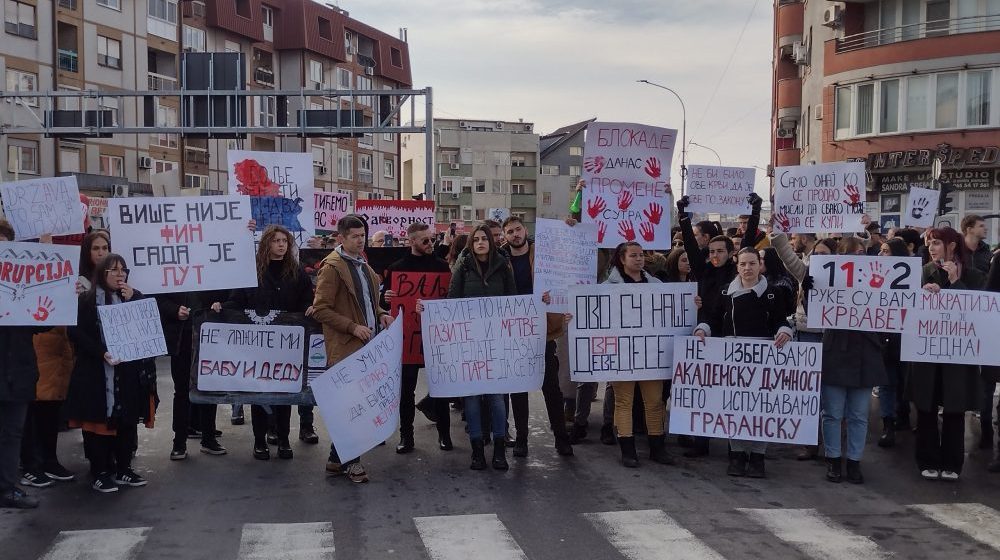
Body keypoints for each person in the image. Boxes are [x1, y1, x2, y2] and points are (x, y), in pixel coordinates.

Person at [694, 247, 793, 478]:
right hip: (733, 359)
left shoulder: (773, 293)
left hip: (763, 360)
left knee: (760, 409)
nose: (747, 268)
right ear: (737, 266)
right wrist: (703, 330)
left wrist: (784, 331)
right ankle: (737, 455)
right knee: (735, 407)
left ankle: (758, 456)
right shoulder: (725, 292)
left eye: (752, 263)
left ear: (760, 265)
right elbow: (713, 318)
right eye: (743, 264)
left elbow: (780, 320)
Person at [220, 225, 315, 461]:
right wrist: (221, 308)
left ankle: (283, 440)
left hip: (287, 345)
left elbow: (306, 300)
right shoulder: (251, 272)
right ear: (266, 245)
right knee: (259, 394)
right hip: (257, 346)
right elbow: (236, 301)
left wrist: (310, 308)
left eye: (285, 241)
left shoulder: (297, 273)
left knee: (285, 393)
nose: (281, 245)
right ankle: (260, 441)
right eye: (276, 241)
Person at [65, 254, 158, 493]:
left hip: (126, 373)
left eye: (123, 270)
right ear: (102, 274)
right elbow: (75, 333)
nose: (120, 275)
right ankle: (100, 471)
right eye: (113, 270)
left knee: (126, 420)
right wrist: (101, 353)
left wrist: (135, 299)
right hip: (96, 373)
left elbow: (148, 328)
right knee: (98, 423)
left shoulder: (133, 297)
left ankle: (124, 468)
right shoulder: (87, 301)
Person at [312, 215, 393, 483]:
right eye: (355, 236)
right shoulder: (333, 267)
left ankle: (337, 460)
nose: (360, 241)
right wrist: (352, 327)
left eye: (363, 236)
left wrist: (382, 313)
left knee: (358, 407)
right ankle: (351, 463)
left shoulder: (363, 266)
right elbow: (320, 309)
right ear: (341, 238)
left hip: (366, 347)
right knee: (351, 409)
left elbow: (369, 302)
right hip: (346, 348)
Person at [802, 240, 888, 484]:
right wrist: (810, 290)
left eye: (861, 252)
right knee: (832, 413)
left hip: (865, 353)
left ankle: (854, 461)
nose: (857, 257)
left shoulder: (877, 281)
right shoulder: (829, 279)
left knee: (859, 414)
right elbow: (815, 313)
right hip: (836, 350)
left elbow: (895, 305)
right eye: (852, 253)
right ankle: (833, 459)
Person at [906, 227, 984, 481]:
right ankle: (926, 459)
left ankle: (952, 462)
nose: (931, 247)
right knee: (926, 406)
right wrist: (923, 295)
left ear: (951, 245)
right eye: (929, 243)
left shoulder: (973, 275)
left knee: (954, 408)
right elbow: (908, 308)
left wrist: (955, 285)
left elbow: (979, 313)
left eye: (937, 242)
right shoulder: (923, 273)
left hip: (957, 358)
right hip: (927, 354)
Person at [499, 216, 574, 457]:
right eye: (509, 232)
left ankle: (561, 438)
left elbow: (571, 258)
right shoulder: (500, 259)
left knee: (551, 387)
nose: (515, 235)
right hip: (513, 332)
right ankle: (521, 438)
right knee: (518, 389)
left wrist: (570, 226)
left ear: (525, 230)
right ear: (504, 236)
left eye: (518, 229)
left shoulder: (544, 253)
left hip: (543, 329)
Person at [445, 224, 516, 471]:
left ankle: (498, 448)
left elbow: (513, 301)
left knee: (496, 397)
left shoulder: (503, 265)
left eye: (484, 239)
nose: (480, 243)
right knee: (473, 397)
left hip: (496, 342)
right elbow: (451, 302)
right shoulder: (462, 267)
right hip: (469, 342)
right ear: (471, 244)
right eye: (476, 240)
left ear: (491, 242)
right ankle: (477, 450)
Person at [380, 223, 453, 454]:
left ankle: (444, 434)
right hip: (408, 338)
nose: (430, 244)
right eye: (425, 241)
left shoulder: (442, 268)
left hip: (435, 338)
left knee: (440, 389)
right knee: (406, 390)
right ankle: (406, 436)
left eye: (431, 240)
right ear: (411, 241)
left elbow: (450, 300)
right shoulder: (396, 268)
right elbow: (384, 304)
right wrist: (386, 296)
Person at [603, 241, 675, 468]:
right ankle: (628, 449)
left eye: (641, 255)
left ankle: (657, 447)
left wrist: (691, 304)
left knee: (654, 401)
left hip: (649, 355)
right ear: (621, 259)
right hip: (622, 355)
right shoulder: (607, 287)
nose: (639, 259)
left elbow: (672, 309)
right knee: (624, 402)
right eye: (633, 255)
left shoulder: (656, 284)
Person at [1, 220, 50, 509]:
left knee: (12, 434)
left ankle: (7, 488)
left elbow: (42, 325)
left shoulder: (23, 286)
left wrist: (60, 301)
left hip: (18, 373)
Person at [157, 289, 228, 460]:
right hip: (182, 336)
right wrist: (174, 310)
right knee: (181, 390)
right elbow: (159, 297)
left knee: (209, 386)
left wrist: (222, 305)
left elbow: (230, 291)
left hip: (210, 332)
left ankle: (208, 437)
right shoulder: (173, 271)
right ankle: (179, 442)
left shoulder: (212, 269)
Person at [874, 237, 912, 449]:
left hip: (907, 338)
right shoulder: (875, 277)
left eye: (886, 251)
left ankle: (903, 415)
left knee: (905, 382)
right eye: (880, 250)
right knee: (887, 383)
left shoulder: (913, 276)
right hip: (885, 337)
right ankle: (888, 425)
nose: (881, 255)